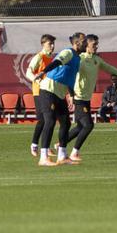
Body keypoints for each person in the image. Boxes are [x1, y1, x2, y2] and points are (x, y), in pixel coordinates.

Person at [67, 35, 117, 162]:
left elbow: (110, 68)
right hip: (79, 97)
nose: (96, 47)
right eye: (93, 45)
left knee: (80, 126)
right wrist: (70, 94)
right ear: (86, 46)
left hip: (86, 98)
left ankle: (61, 144)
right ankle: (74, 153)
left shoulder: (97, 59)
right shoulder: (79, 59)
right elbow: (69, 74)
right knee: (88, 125)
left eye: (97, 44)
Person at [36, 32, 86, 166]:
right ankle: (43, 157)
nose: (86, 43)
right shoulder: (68, 52)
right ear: (76, 43)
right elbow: (57, 62)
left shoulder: (78, 58)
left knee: (66, 123)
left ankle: (62, 156)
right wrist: (43, 71)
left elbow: (69, 78)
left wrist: (71, 96)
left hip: (60, 93)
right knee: (50, 121)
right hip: (48, 90)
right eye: (84, 41)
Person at [25, 34, 56, 158]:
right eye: (50, 44)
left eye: (53, 44)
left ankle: (46, 147)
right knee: (43, 120)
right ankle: (34, 144)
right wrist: (37, 80)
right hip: (39, 92)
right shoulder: (39, 57)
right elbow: (28, 71)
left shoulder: (52, 58)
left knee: (49, 119)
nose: (52, 46)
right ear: (43, 44)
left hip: (49, 91)